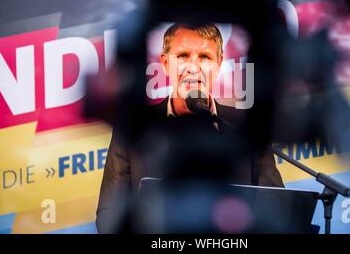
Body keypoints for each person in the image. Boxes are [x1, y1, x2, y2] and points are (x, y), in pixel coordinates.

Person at [96, 23, 284, 233]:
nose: (193, 68)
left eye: (205, 57)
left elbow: (276, 208)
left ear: (219, 63)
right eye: (183, 56)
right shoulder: (134, 127)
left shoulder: (246, 126)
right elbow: (108, 215)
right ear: (165, 63)